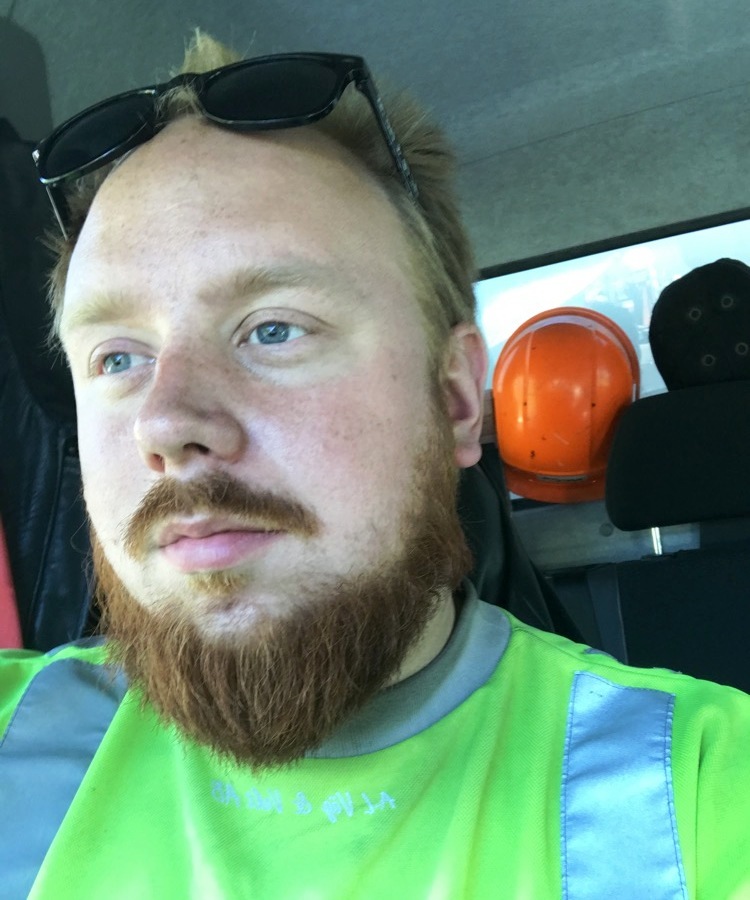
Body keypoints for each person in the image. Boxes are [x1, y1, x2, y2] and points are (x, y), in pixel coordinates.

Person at [1, 32, 749, 899]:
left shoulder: (697, 789)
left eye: (273, 329)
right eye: (118, 358)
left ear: (456, 399)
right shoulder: (20, 736)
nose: (164, 424)